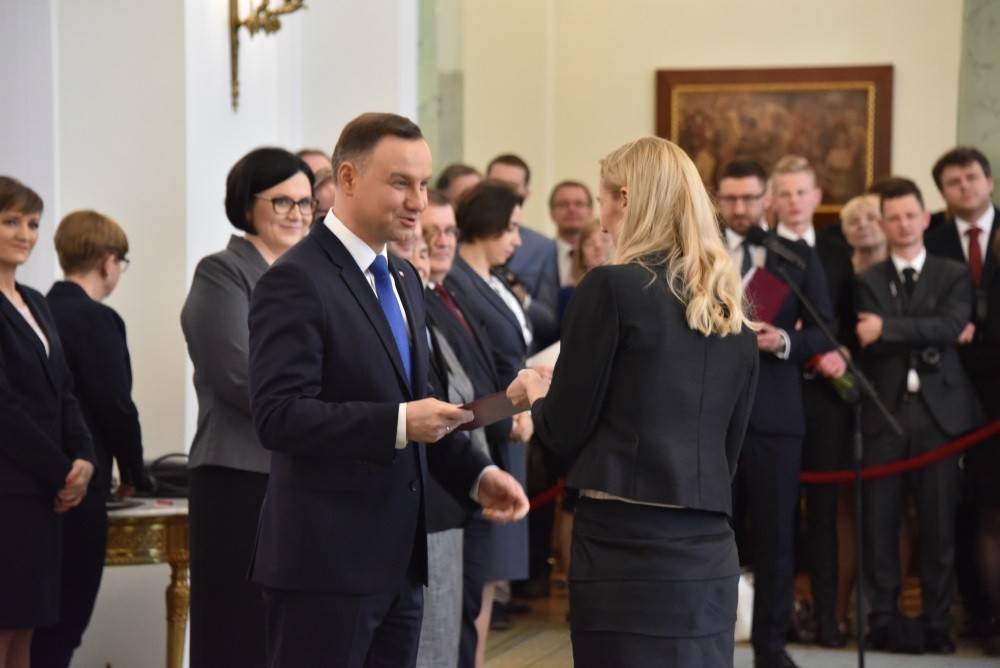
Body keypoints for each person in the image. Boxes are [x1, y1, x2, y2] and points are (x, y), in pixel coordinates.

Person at [247, 112, 528, 667]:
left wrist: (477, 474)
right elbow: (279, 416)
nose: (418, 202)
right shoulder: (296, 279)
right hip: (325, 566)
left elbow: (425, 405)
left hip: (400, 564)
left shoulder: (402, 278)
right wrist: (397, 423)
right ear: (348, 178)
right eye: (401, 183)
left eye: (423, 184)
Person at [506, 136, 759, 667]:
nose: (599, 218)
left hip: (626, 546)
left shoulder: (611, 288)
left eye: (601, 198)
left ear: (624, 197)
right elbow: (730, 446)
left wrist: (535, 391)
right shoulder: (729, 308)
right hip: (709, 546)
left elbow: (563, 431)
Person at [181, 147, 314, 668]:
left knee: (287, 632)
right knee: (237, 628)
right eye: (282, 201)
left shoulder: (307, 275)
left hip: (300, 471)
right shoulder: (222, 272)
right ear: (246, 204)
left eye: (305, 202)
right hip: (237, 477)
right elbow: (238, 375)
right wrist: (325, 416)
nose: (297, 214)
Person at [855, 176, 985, 654]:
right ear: (883, 223)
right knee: (880, 525)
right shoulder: (868, 279)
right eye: (893, 218)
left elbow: (951, 325)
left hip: (941, 418)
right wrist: (925, 330)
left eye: (911, 215)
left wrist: (889, 327)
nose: (904, 225)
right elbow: (866, 339)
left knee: (939, 526)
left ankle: (937, 623)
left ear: (926, 219)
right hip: (885, 415)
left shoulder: (952, 273)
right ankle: (882, 621)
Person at [716, 159, 835, 668]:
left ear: (766, 198)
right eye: (730, 198)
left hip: (775, 417)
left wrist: (783, 339)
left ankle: (770, 646)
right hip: (709, 416)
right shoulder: (695, 252)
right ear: (717, 199)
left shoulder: (793, 255)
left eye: (749, 197)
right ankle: (709, 641)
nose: (740, 208)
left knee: (776, 538)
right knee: (711, 536)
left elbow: (825, 331)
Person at [32, 210, 145, 668]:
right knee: (65, 627)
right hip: (83, 486)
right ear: (107, 261)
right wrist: (134, 472)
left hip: (35, 484)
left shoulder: (35, 310)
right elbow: (115, 405)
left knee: (33, 628)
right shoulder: (97, 319)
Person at [0, 177, 95, 668]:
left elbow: (65, 391)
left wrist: (84, 458)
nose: (26, 234)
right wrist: (62, 471)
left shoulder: (36, 301)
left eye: (33, 224)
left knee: (27, 631)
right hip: (9, 492)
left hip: (43, 498)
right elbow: (4, 409)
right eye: (11, 221)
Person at [422, 190, 517, 667]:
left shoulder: (452, 293)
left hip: (473, 471)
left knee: (465, 616)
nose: (440, 242)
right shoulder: (420, 302)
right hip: (442, 485)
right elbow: (448, 407)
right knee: (444, 626)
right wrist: (515, 403)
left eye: (448, 231)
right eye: (428, 232)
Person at [770, 155, 856, 647]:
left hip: (826, 400)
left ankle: (828, 619)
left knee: (824, 514)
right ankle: (777, 620)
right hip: (778, 394)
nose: (794, 201)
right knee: (775, 516)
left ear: (817, 197)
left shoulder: (836, 252)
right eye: (784, 193)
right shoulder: (764, 251)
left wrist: (841, 350)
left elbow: (848, 319)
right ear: (772, 200)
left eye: (801, 192)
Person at [447, 179, 534, 650]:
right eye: (511, 228)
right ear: (488, 223)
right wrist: (511, 413)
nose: (517, 239)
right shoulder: (458, 279)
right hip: (489, 427)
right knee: (475, 579)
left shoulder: (496, 280)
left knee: (487, 576)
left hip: (509, 420)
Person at [924, 146, 1000, 654]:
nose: (965, 187)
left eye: (972, 177)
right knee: (957, 506)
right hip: (949, 388)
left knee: (995, 507)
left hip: (998, 391)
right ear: (943, 192)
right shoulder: (930, 237)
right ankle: (973, 610)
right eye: (953, 182)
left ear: (988, 181)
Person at [487, 154, 560, 349]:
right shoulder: (459, 239)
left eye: (511, 187)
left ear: (526, 193)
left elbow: (549, 322)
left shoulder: (542, 247)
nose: (503, 192)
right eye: (496, 184)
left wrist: (522, 298)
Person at [549, 180, 595, 287]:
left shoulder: (606, 255)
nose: (571, 209)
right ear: (551, 212)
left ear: (591, 211)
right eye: (563, 204)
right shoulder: (541, 256)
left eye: (579, 204)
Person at [841, 194, 887, 273]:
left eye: (871, 218)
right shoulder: (834, 269)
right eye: (854, 221)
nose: (862, 225)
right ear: (844, 231)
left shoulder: (902, 266)